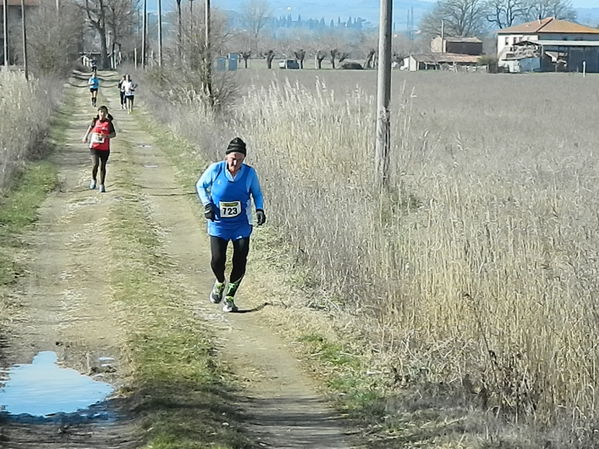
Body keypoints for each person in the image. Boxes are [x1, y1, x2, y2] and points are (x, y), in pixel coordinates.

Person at [196, 137, 266, 312]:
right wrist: (207, 205)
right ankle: (220, 282)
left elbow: (257, 193)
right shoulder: (216, 169)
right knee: (217, 260)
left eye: (240, 159)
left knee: (240, 261)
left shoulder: (249, 174)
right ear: (226, 157)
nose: (235, 162)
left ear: (244, 159)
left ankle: (229, 297)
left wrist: (260, 209)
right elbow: (200, 185)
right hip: (218, 224)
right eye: (233, 158)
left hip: (241, 224)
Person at [82, 106, 116, 193]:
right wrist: (85, 136)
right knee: (95, 164)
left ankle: (102, 185)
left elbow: (114, 134)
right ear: (98, 113)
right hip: (94, 147)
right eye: (101, 112)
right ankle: (93, 180)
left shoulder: (109, 123)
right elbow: (90, 128)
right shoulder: (95, 121)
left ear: (106, 113)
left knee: (103, 166)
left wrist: (106, 136)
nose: (102, 114)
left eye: (104, 112)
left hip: (104, 148)